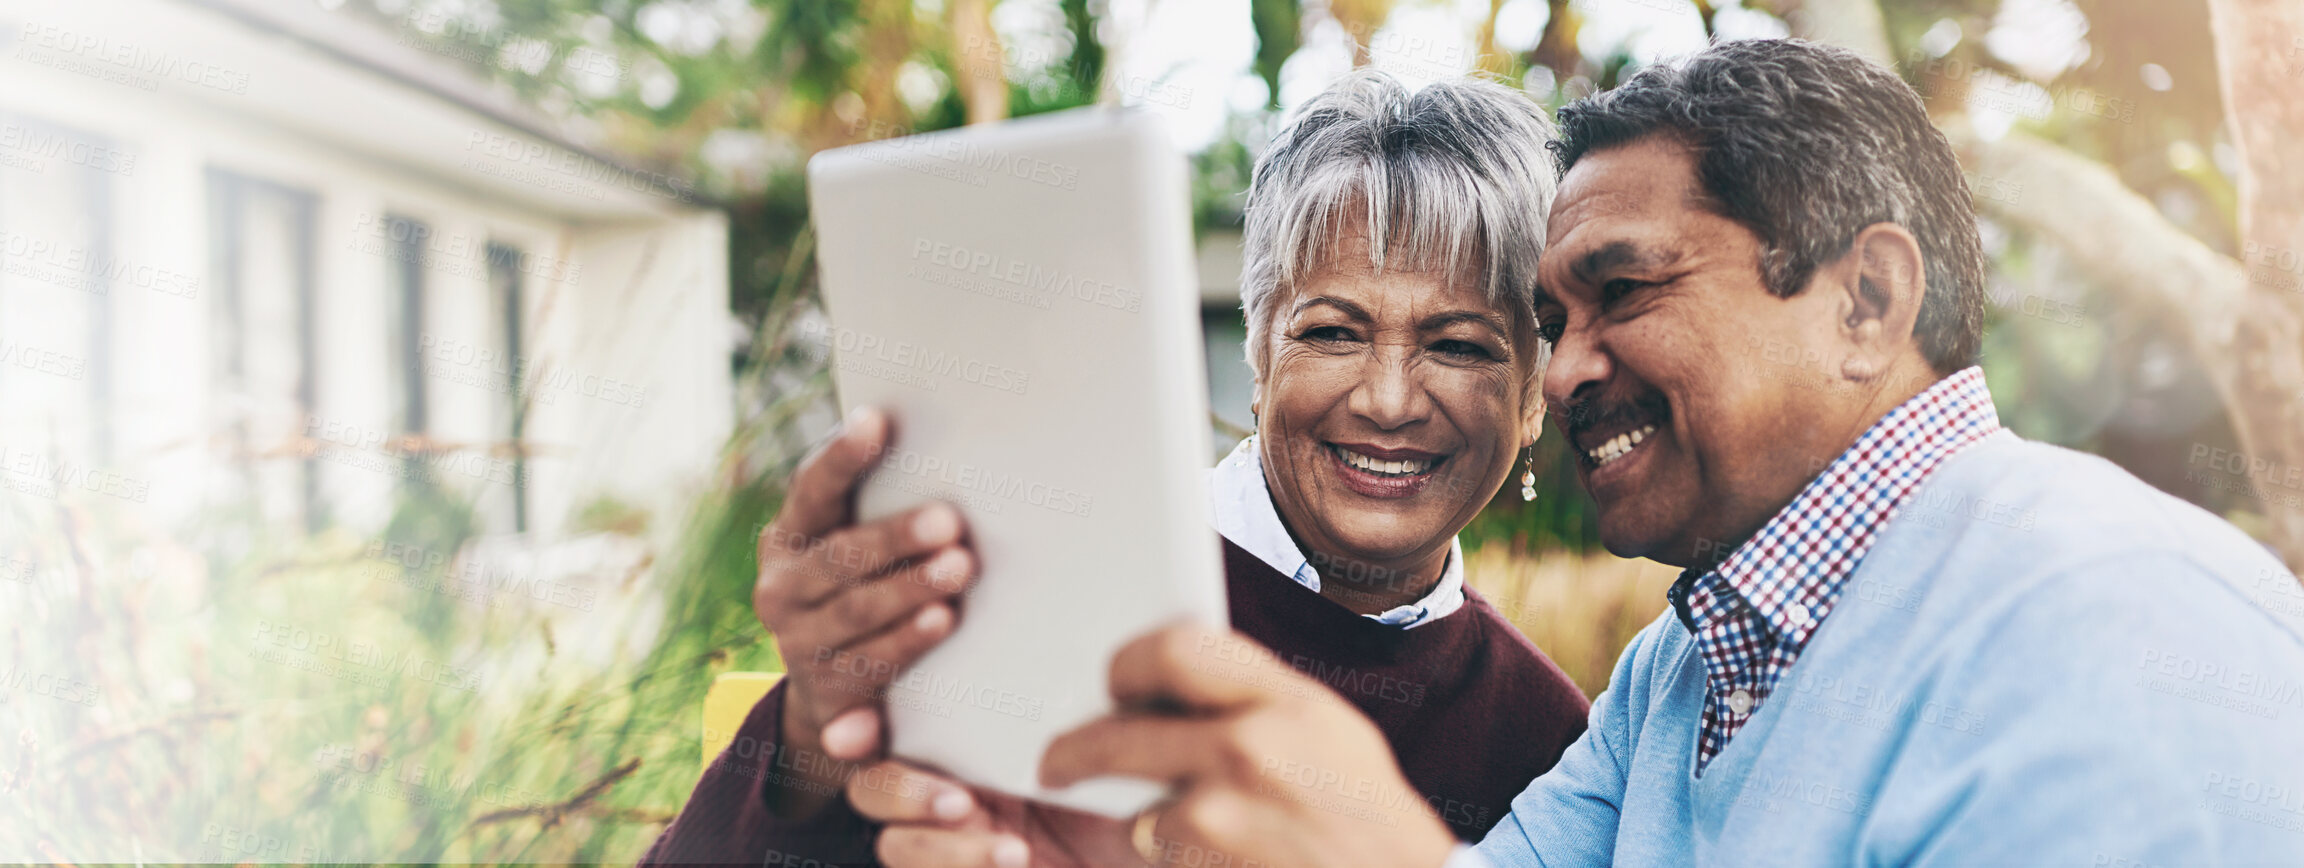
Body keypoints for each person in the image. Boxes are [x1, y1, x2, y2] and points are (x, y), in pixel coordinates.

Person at [849, 38, 2304, 868]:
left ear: (1865, 301)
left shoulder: (2120, 624)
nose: (1574, 363)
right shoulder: (1681, 681)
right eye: (1551, 316)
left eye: (1623, 292)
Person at [641, 70, 1593, 866]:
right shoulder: (1004, 585)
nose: (1389, 398)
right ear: (1259, 358)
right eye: (1332, 332)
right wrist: (808, 737)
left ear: (1532, 392)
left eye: (1461, 346)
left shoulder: (1555, 741)